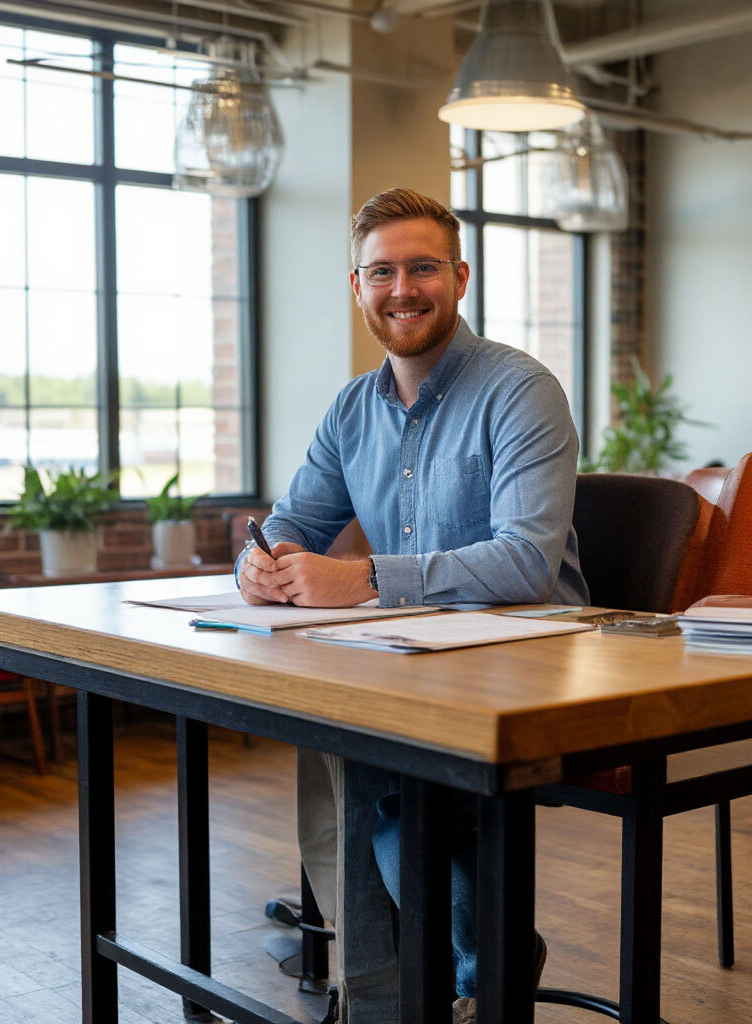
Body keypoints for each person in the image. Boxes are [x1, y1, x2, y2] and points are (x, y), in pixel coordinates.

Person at [235, 187, 589, 1023]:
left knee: (376, 762)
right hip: (411, 654)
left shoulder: (520, 390)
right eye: (382, 272)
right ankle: (415, 986)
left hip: (531, 656)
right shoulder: (352, 407)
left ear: (459, 277)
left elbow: (527, 564)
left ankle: (461, 975)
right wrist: (261, 564)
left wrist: (356, 579)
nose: (403, 288)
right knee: (344, 741)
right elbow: (292, 523)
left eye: (423, 267)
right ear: (356, 287)